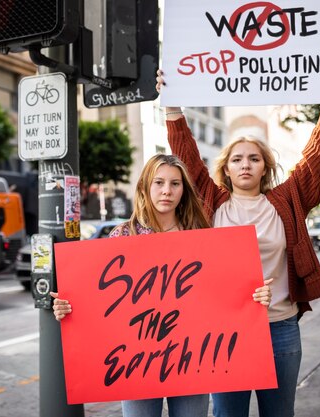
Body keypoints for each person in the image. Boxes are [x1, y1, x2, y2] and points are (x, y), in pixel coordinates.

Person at [155, 56, 320, 417]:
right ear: (226, 169)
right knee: (227, 414)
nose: (245, 164)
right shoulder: (211, 202)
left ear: (265, 167)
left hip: (280, 328)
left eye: (254, 158)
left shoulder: (287, 200)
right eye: (236, 159)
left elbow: (315, 158)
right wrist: (171, 101)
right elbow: (186, 152)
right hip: (223, 332)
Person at [50, 153, 273, 417]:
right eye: (159, 182)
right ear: (145, 186)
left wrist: (255, 295)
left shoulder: (202, 237)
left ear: (183, 190)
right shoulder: (121, 236)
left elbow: (224, 294)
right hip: (135, 361)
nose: (167, 191)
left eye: (175, 184)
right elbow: (100, 301)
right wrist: (67, 308)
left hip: (192, 358)